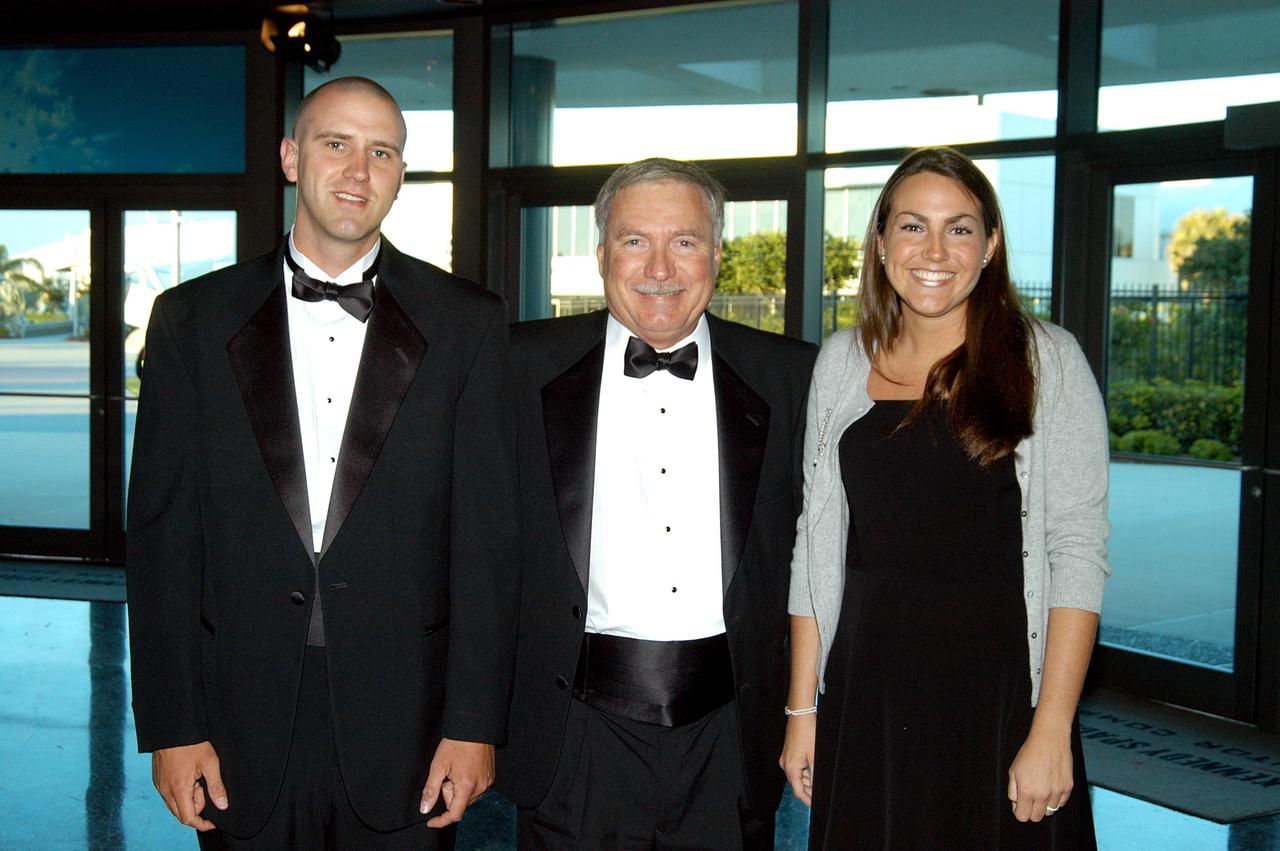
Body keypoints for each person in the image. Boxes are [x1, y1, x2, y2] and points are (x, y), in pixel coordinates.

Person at [125, 76, 518, 849]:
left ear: (402, 174)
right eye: (335, 144)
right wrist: (172, 726)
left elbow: (487, 541)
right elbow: (164, 539)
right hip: (239, 723)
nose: (358, 171)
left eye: (382, 152)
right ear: (290, 158)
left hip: (410, 725)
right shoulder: (191, 322)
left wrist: (474, 724)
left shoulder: (468, 322)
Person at [782, 146, 1110, 849]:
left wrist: (1051, 726)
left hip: (996, 694)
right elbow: (815, 542)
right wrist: (801, 709)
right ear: (879, 242)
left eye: (959, 228)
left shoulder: (1048, 360)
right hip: (868, 690)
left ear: (990, 245)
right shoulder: (841, 361)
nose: (934, 249)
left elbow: (1076, 551)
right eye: (911, 226)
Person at [496, 157, 817, 849]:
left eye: (686, 241)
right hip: (572, 731)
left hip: (731, 735)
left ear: (718, 256)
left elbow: (821, 558)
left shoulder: (793, 376)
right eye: (636, 240)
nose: (661, 268)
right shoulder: (515, 366)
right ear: (601, 252)